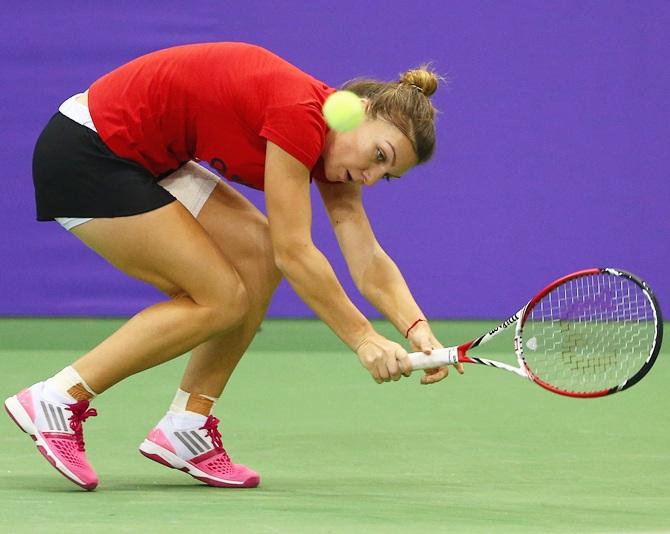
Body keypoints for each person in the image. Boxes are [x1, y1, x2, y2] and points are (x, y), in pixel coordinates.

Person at [4, 42, 463, 491]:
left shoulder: (335, 145)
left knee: (258, 256)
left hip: (151, 159)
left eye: (387, 174)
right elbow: (296, 250)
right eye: (379, 156)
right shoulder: (299, 113)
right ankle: (57, 399)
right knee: (221, 299)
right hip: (89, 151)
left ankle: (186, 425)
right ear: (359, 111)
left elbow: (366, 256)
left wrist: (414, 326)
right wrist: (364, 339)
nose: (372, 176)